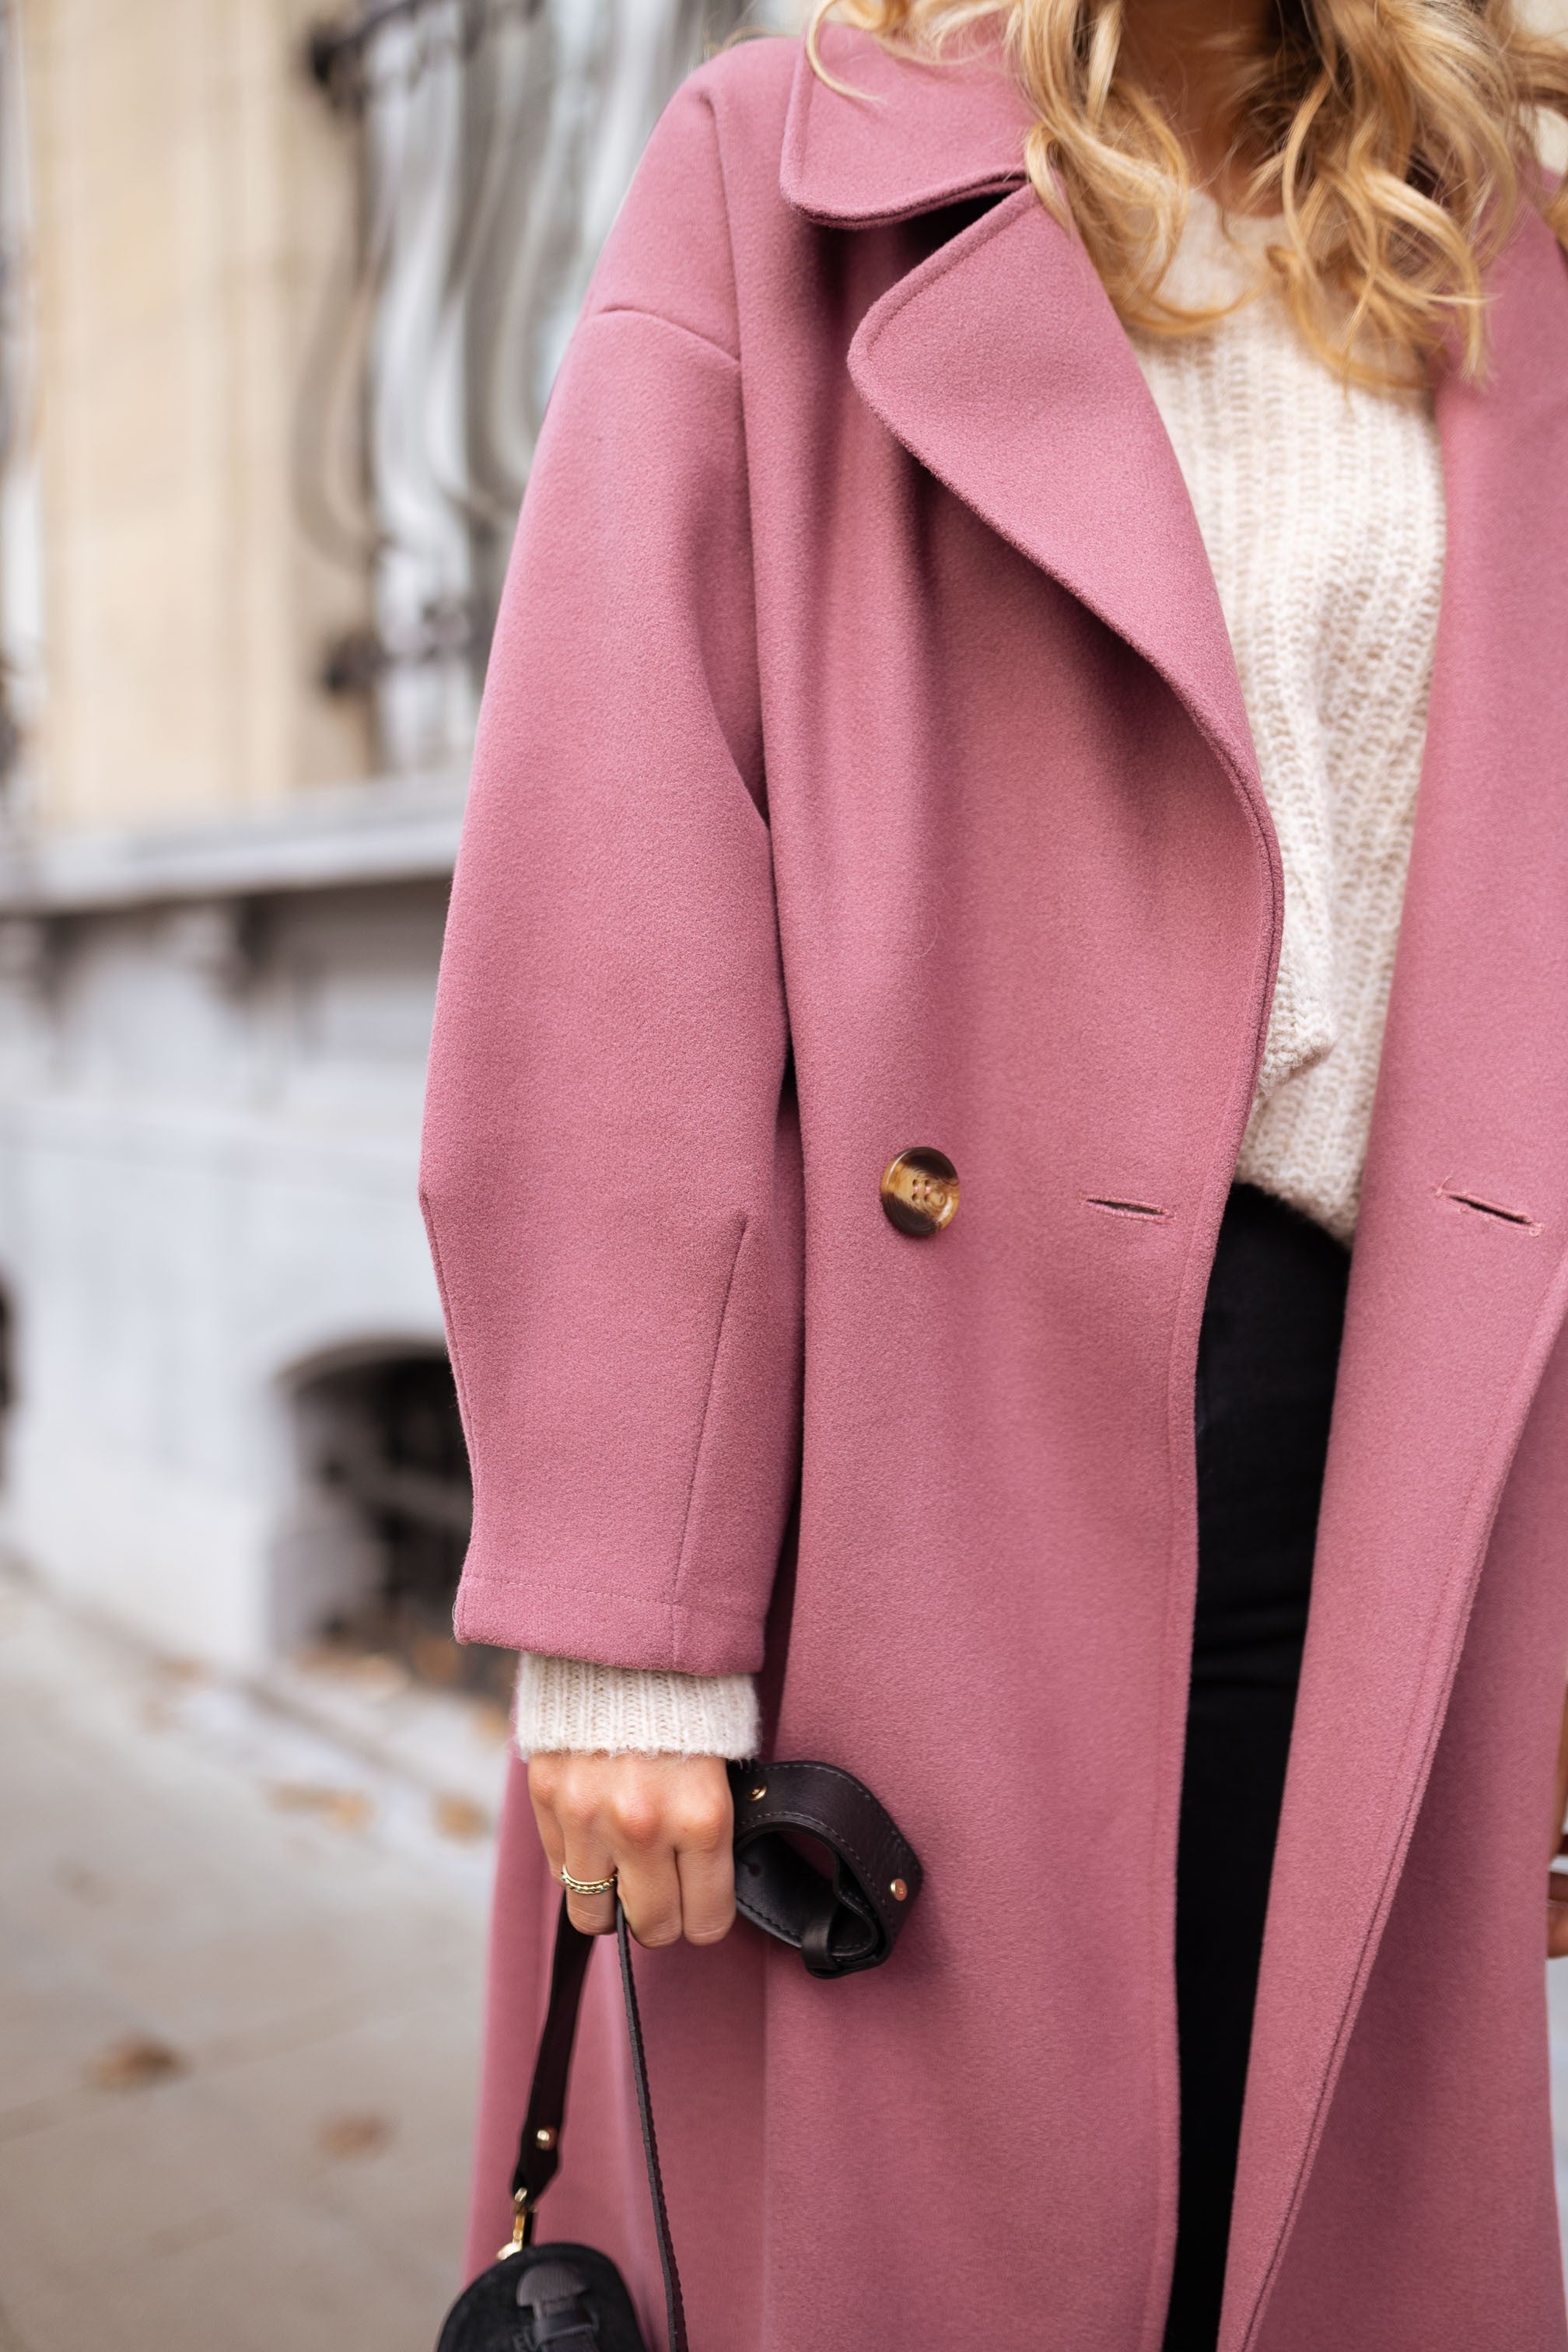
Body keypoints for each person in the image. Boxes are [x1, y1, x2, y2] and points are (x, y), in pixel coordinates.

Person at [418, 4, 1568, 2345]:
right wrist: (625, 1620)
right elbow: (616, 877)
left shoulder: (1512, 244)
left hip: (1422, 1450)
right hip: (914, 1478)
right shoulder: (790, 167)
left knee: (1303, 2239)